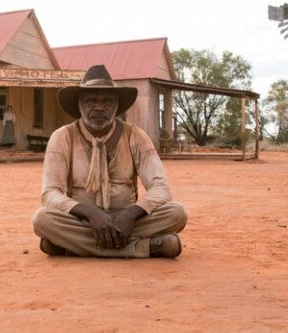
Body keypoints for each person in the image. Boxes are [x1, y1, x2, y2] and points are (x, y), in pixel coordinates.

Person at [31, 65, 188, 258]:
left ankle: (70, 247)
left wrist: (131, 213)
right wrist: (89, 213)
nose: (99, 107)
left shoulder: (135, 136)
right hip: (82, 221)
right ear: (79, 105)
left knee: (177, 214)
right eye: (91, 101)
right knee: (42, 220)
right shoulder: (63, 137)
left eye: (107, 101)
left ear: (116, 106)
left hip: (129, 223)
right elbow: (50, 194)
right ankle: (144, 248)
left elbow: (161, 188)